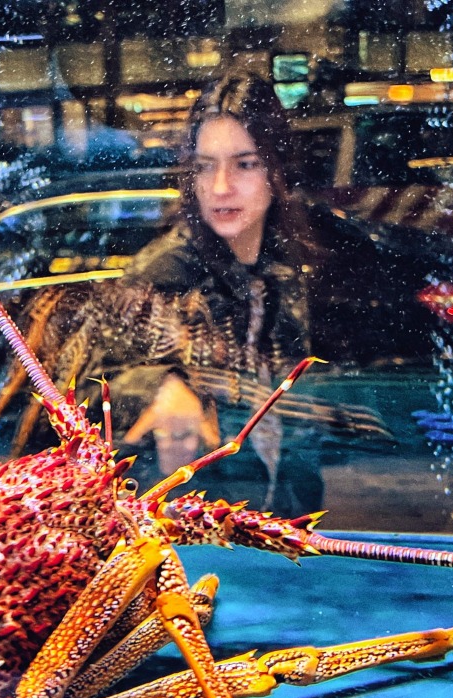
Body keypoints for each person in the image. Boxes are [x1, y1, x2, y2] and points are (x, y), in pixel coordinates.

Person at [105, 71, 330, 512]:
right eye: (205, 166)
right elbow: (93, 388)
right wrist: (159, 387)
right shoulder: (166, 271)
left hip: (276, 523)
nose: (221, 187)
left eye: (245, 163)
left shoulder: (284, 267)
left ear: (276, 170)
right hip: (187, 534)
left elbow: (296, 413)